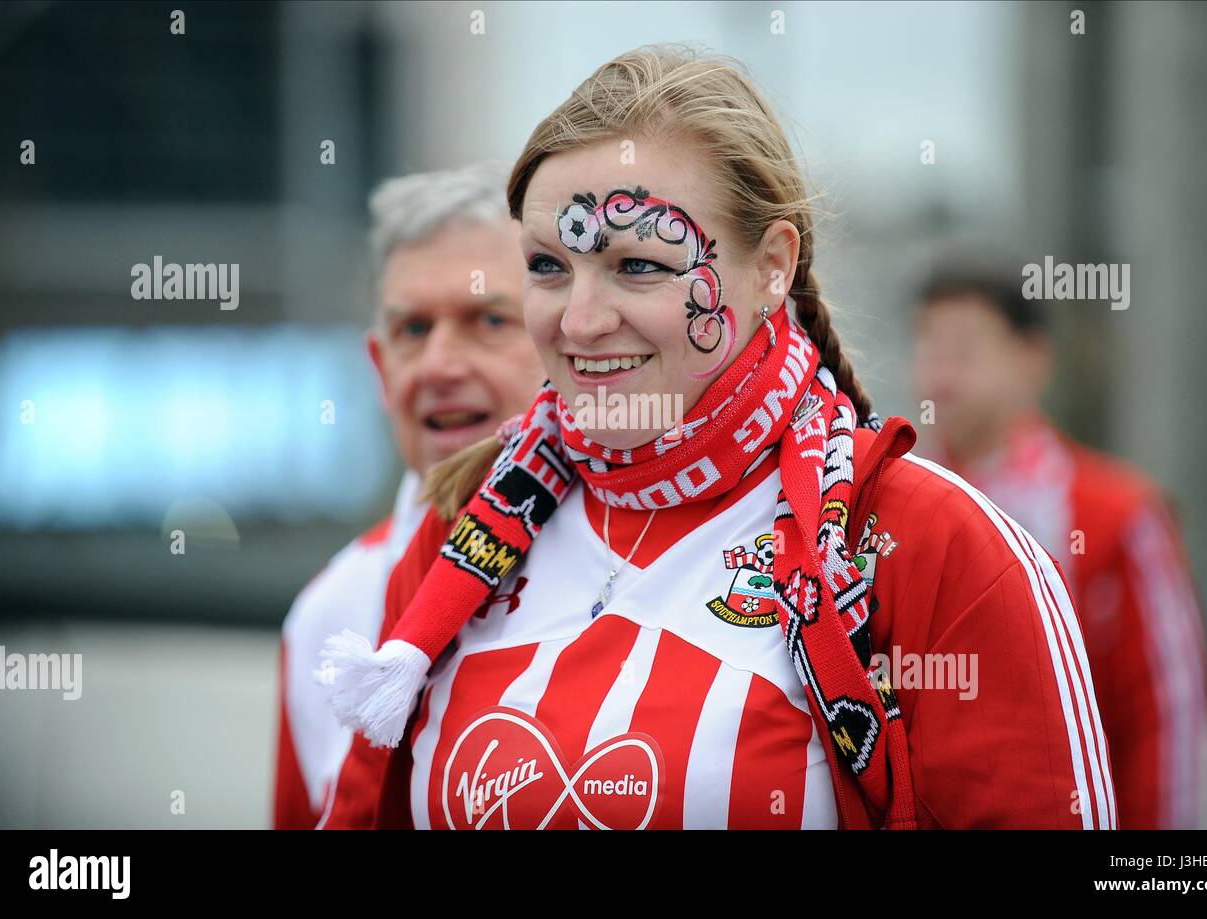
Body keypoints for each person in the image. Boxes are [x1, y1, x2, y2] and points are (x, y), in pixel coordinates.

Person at [317, 44, 1115, 830]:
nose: (580, 321)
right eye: (548, 266)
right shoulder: (464, 525)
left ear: (772, 265)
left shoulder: (936, 544)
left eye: (638, 265)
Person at [273, 164, 545, 828]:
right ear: (379, 364)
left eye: (488, 319)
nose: (440, 365)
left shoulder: (638, 563)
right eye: (413, 330)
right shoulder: (325, 617)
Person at [912, 263, 1207, 829]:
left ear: (1033, 359)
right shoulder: (890, 505)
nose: (941, 374)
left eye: (965, 349)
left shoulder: (1120, 515)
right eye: (928, 345)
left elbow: (1166, 719)